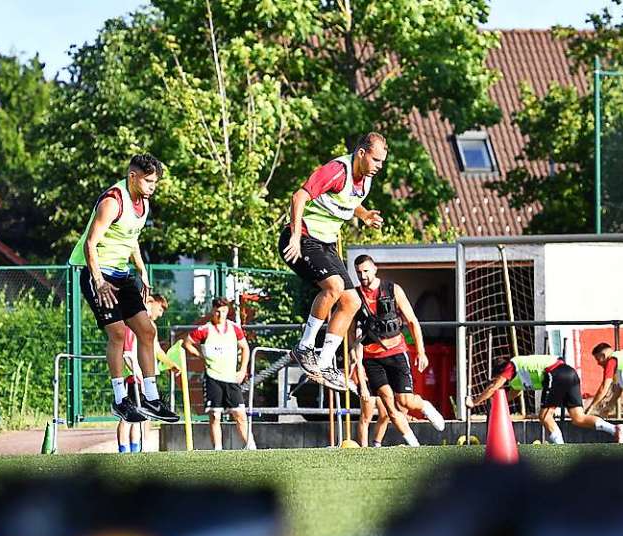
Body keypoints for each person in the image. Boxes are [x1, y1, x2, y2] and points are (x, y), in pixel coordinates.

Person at [69, 153, 178, 424]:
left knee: (147, 330)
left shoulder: (143, 204)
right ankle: (120, 400)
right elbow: (90, 244)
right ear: (132, 176)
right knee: (117, 333)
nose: (153, 186)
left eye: (156, 182)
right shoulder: (112, 201)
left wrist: (141, 269)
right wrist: (98, 281)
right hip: (99, 274)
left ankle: (151, 398)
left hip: (121, 273)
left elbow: (131, 239)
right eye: (149, 181)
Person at [280, 132, 388, 391]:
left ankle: (325, 362)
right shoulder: (337, 170)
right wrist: (294, 236)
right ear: (361, 153)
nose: (379, 167)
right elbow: (299, 196)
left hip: (325, 244)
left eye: (382, 162)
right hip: (301, 237)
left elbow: (350, 203)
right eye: (375, 160)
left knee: (352, 301)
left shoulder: (366, 179)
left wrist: (363, 215)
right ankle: (305, 347)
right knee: (334, 287)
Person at [351, 254, 445, 448]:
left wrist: (421, 351)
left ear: (375, 269)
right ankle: (413, 445)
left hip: (396, 352)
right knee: (389, 407)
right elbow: (351, 330)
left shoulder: (393, 289)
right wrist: (355, 356)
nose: (363, 276)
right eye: (358, 273)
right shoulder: (354, 295)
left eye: (366, 271)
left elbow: (412, 321)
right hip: (372, 358)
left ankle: (425, 407)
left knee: (405, 401)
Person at [467, 354, 623, 444]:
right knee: (578, 418)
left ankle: (559, 448)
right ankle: (615, 429)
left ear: (501, 371)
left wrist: (474, 402)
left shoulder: (511, 365)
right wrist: (497, 405)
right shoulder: (517, 377)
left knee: (544, 416)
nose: (500, 380)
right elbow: (513, 393)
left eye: (498, 377)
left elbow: (494, 387)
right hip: (569, 373)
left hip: (556, 373)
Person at [184, 298, 256, 451]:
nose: (220, 314)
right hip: (212, 377)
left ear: (227, 311)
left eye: (223, 311)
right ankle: (218, 450)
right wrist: (200, 356)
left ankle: (251, 448)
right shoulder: (205, 329)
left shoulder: (234, 328)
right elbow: (187, 342)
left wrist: (242, 370)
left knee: (240, 415)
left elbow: (245, 348)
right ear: (212, 310)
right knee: (215, 415)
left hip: (231, 378)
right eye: (217, 311)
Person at [118, 293, 180, 453]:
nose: (160, 314)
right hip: (133, 377)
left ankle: (137, 449)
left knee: (144, 414)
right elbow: (127, 352)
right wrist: (134, 372)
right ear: (151, 303)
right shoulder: (133, 323)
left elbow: (157, 349)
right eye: (160, 309)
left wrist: (170, 364)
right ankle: (123, 451)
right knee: (128, 415)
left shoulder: (151, 326)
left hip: (146, 378)